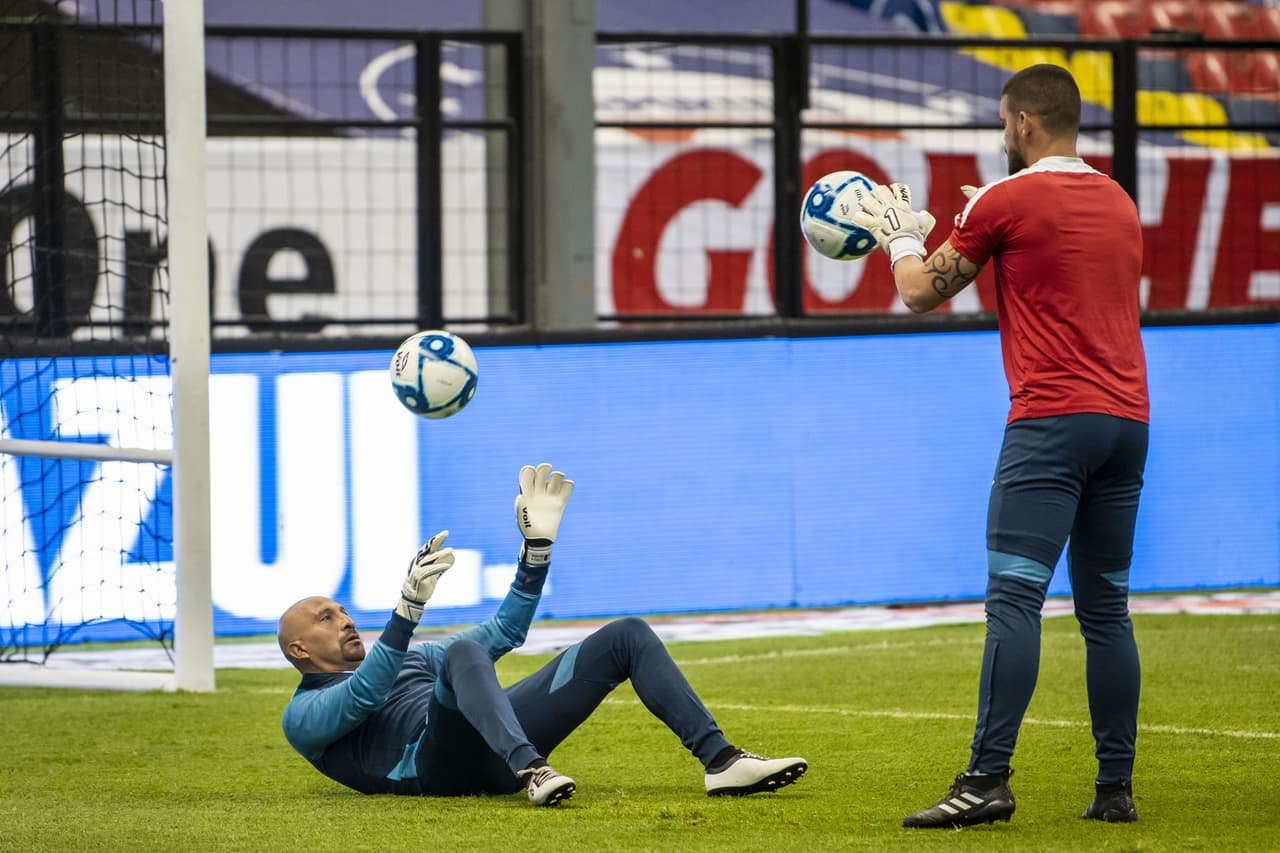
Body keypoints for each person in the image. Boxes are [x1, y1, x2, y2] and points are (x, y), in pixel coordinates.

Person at [852, 64, 1149, 828]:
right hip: (1128, 424)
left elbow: (920, 291)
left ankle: (986, 779)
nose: (1001, 131)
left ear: (1022, 123)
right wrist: (980, 217)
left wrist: (900, 237)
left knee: (1014, 600)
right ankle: (1114, 788)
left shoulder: (1006, 200)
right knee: (1106, 609)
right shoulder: (1119, 201)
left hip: (1051, 422)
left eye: (1003, 120)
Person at [277, 462, 807, 806]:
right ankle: (532, 770)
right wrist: (408, 607)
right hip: (437, 768)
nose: (344, 619)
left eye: (343, 609)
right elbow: (365, 692)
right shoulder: (301, 717)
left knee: (626, 635)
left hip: (493, 745)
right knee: (461, 651)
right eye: (325, 617)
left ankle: (722, 761)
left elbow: (506, 630)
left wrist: (536, 553)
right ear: (299, 650)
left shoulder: (413, 661)